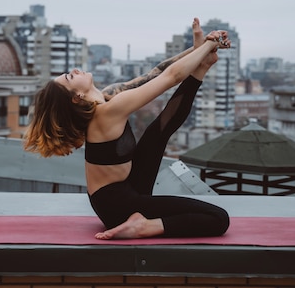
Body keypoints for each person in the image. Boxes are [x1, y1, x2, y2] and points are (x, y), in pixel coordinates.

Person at [23, 18, 231, 239]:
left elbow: (158, 71)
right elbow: (171, 77)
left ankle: (202, 68)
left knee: (156, 133)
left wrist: (199, 53)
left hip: (126, 189)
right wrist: (211, 43)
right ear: (77, 97)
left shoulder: (108, 97)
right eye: (69, 77)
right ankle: (144, 226)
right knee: (219, 219)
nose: (74, 70)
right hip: (118, 208)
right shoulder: (106, 113)